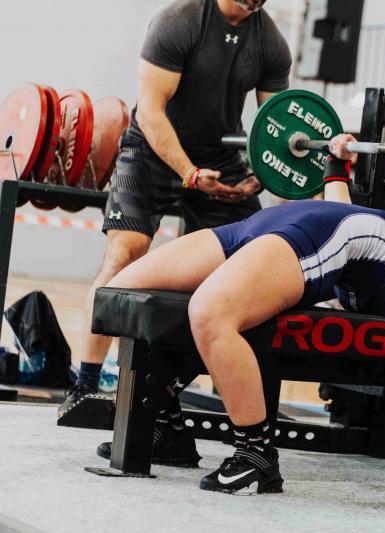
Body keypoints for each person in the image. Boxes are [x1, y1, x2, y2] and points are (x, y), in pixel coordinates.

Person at [98, 134, 385, 494]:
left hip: (314, 238)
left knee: (211, 313)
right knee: (123, 289)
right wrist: (336, 165)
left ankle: (255, 452)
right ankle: (169, 427)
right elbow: (349, 214)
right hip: (287, 224)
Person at [58, 0, 292, 434]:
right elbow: (151, 111)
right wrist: (189, 173)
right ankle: (85, 384)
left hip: (221, 157)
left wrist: (262, 173)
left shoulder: (270, 43)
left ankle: (214, 394)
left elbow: (276, 126)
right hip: (150, 149)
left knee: (250, 264)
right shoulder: (179, 21)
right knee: (124, 255)